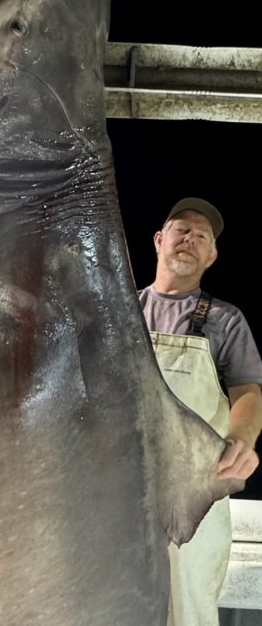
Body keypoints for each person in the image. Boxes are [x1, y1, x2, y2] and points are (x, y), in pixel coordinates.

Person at [140, 197, 262, 625]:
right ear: (159, 240)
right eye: (181, 228)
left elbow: (247, 389)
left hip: (193, 490)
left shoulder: (225, 322)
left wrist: (243, 438)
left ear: (212, 255)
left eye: (202, 235)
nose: (190, 238)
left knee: (188, 606)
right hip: (120, 481)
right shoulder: (121, 313)